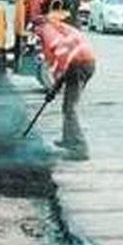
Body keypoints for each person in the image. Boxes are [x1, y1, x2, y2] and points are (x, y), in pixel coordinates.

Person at [34, 12, 95, 160]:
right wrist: (54, 90)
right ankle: (68, 140)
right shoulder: (56, 26)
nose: (35, 35)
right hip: (82, 62)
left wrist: (54, 89)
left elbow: (62, 62)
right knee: (67, 106)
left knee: (70, 108)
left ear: (38, 27)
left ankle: (80, 149)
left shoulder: (49, 34)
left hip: (79, 64)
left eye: (34, 31)